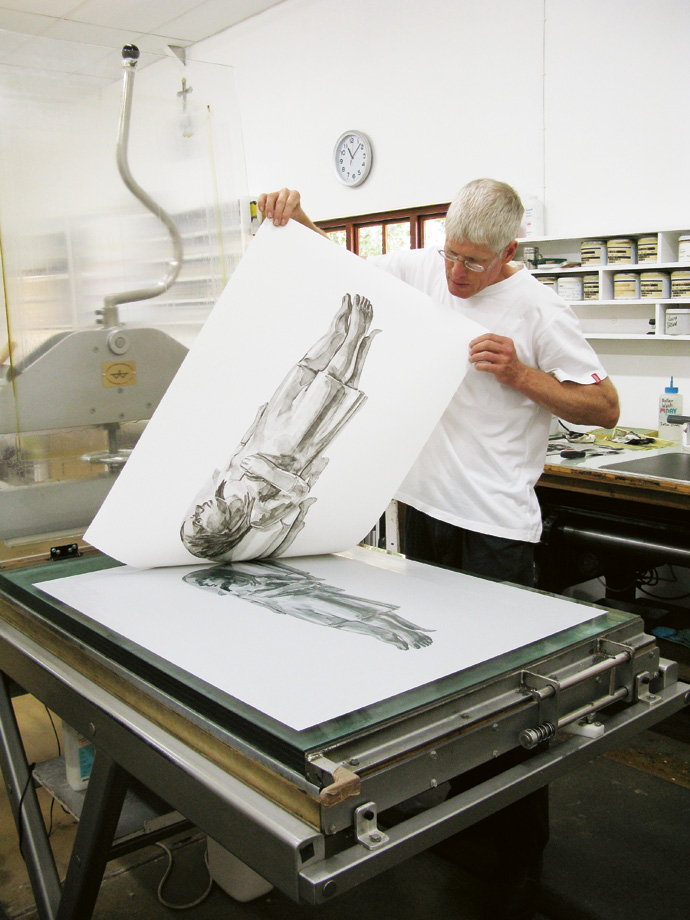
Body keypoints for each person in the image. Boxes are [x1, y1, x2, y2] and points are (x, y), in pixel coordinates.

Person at [257, 179, 620, 919]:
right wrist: (299, 219)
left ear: (509, 251)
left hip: (494, 530)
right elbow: (344, 270)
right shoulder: (423, 268)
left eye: (474, 262)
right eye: (451, 255)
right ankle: (461, 828)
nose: (456, 273)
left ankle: (518, 862)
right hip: (422, 517)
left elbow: (605, 407)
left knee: (511, 703)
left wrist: (521, 375)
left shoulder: (539, 308)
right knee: (439, 692)